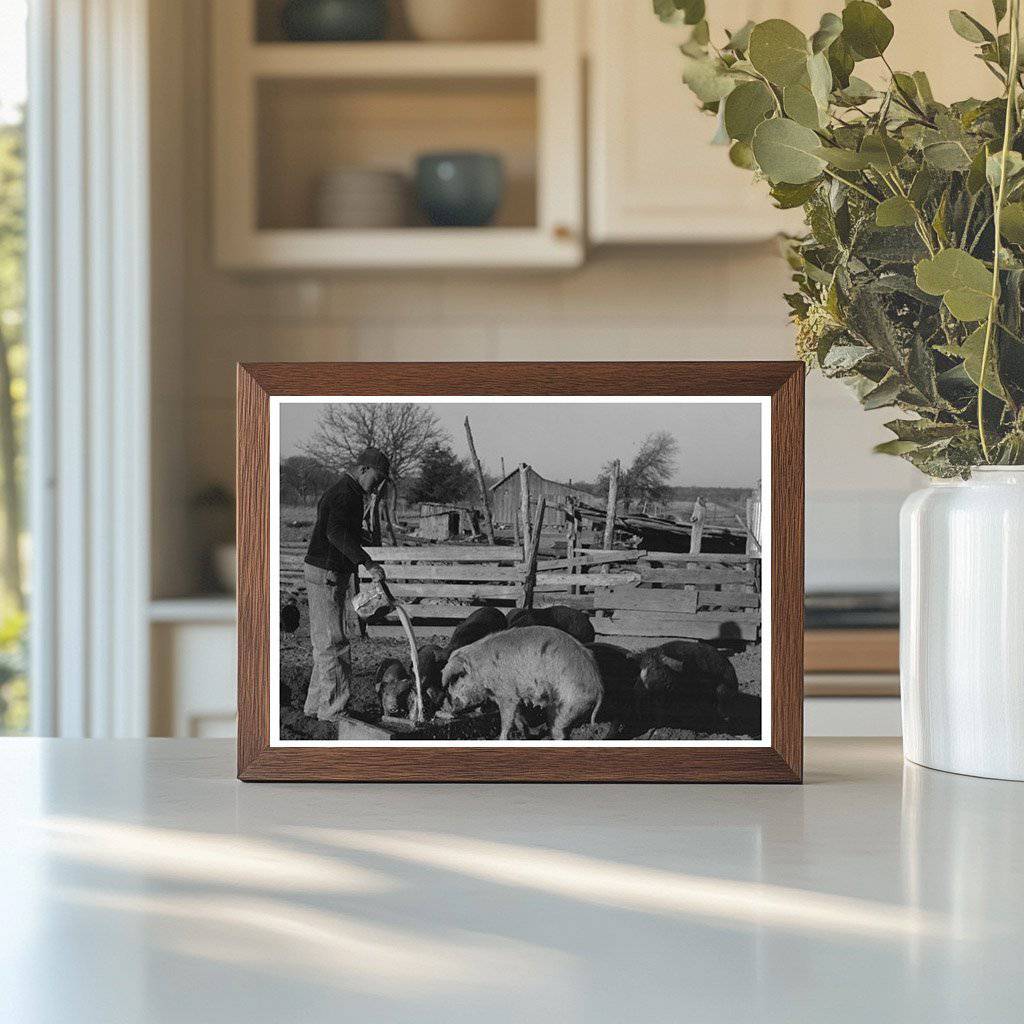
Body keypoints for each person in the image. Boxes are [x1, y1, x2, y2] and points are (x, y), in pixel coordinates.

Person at [302, 447, 390, 722]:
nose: (376, 486)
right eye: (376, 479)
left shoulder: (346, 492)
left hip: (324, 570)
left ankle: (316, 706)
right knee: (334, 643)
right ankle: (334, 710)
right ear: (363, 469)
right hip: (327, 572)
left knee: (324, 642)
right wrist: (368, 562)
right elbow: (335, 532)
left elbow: (340, 529)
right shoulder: (346, 495)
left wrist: (364, 534)